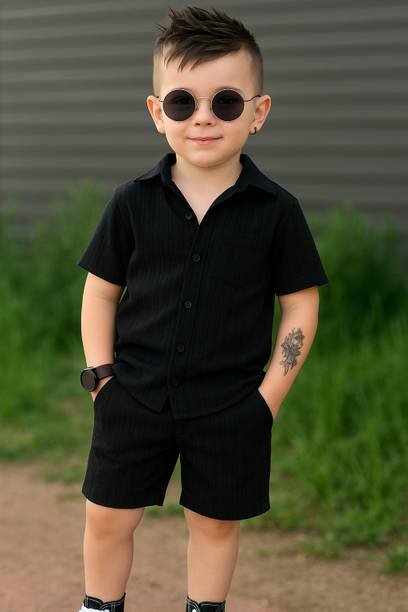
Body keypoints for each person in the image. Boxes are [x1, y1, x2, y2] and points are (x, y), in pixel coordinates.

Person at [76, 6, 329, 612]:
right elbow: (100, 293)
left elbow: (300, 307)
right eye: (183, 102)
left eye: (227, 102)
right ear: (156, 112)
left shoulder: (277, 211)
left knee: (214, 525)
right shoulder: (131, 203)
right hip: (134, 393)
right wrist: (102, 378)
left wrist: (266, 401)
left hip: (231, 404)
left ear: (258, 112)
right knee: (107, 515)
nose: (204, 117)